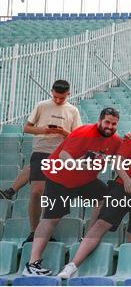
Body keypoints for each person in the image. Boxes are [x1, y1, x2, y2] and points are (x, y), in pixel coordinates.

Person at [57, 107, 131, 279]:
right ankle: (73, 265)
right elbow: (118, 161)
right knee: (101, 224)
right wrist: (127, 179)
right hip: (123, 187)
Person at [23, 108, 122, 276]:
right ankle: (32, 264)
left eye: (114, 124)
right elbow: (63, 155)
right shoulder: (84, 133)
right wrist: (78, 165)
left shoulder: (115, 141)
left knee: (104, 197)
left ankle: (88, 235)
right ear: (99, 120)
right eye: (107, 122)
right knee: (50, 219)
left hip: (85, 181)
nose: (110, 127)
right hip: (59, 179)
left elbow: (123, 155)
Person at [15, 80, 82, 244]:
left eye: (62, 98)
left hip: (60, 154)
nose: (58, 100)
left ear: (68, 94)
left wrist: (63, 132)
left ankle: (44, 232)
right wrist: (43, 130)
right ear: (51, 92)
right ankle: (33, 231)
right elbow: (27, 128)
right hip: (41, 150)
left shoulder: (73, 110)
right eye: (55, 97)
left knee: (50, 194)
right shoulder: (42, 105)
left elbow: (78, 137)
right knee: (37, 191)